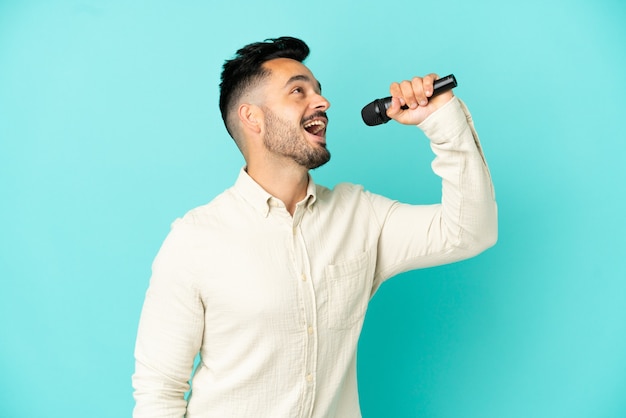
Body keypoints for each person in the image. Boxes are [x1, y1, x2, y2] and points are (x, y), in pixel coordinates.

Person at [132, 36, 497, 418]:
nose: (322, 102)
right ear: (252, 117)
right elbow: (159, 390)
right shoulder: (195, 240)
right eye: (298, 91)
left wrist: (442, 119)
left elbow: (472, 231)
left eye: (318, 91)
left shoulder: (359, 215)